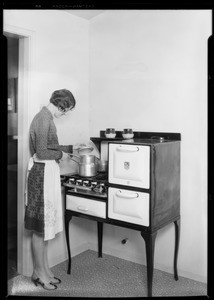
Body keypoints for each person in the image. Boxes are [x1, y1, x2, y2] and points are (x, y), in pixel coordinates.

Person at [24, 89, 82, 290]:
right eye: (65, 111)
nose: (64, 114)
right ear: (60, 105)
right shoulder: (42, 118)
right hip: (40, 175)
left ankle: (43, 270)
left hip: (45, 173)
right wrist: (61, 154)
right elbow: (41, 151)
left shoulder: (47, 118)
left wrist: (63, 152)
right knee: (40, 228)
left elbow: (47, 147)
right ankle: (39, 274)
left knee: (45, 227)